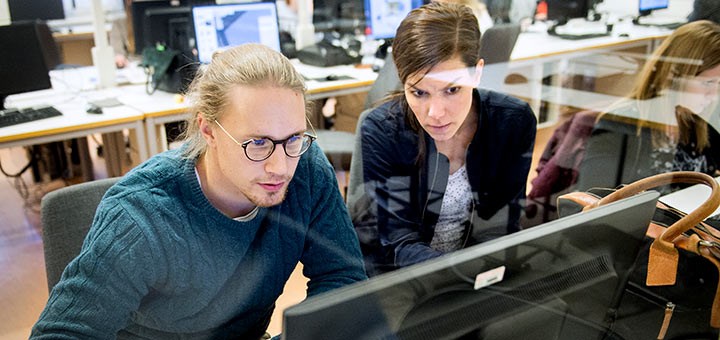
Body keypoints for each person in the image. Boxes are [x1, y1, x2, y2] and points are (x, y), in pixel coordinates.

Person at [31, 44, 366, 339]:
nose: (280, 166)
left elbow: (343, 276)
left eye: (293, 137)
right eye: (258, 143)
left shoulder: (305, 167)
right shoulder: (141, 216)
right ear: (208, 130)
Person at [348, 2, 537, 276]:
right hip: (399, 279)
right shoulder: (383, 130)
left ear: (478, 72)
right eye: (419, 93)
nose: (435, 114)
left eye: (452, 89)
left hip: (469, 278)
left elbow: (501, 228)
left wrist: (480, 277)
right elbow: (398, 245)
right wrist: (463, 273)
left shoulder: (512, 123)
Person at [576, 20, 720, 191]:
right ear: (673, 75)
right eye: (708, 83)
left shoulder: (700, 120)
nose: (714, 94)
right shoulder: (622, 123)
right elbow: (594, 203)